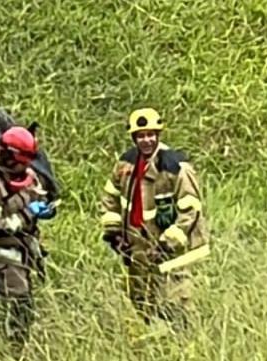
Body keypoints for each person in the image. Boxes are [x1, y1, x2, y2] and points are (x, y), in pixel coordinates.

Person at [99, 107, 208, 331]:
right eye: (141, 135)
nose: (146, 140)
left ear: (158, 134)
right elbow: (110, 196)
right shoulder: (125, 165)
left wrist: (168, 243)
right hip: (137, 247)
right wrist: (113, 232)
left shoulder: (174, 166)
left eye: (151, 134)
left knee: (176, 303)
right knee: (141, 300)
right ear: (133, 137)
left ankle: (186, 344)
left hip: (171, 251)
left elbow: (191, 209)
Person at [0, 124, 56, 347]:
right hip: (3, 254)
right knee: (18, 303)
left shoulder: (27, 175)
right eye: (22, 160)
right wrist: (28, 214)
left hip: (26, 248)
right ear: (9, 157)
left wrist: (47, 208)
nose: (27, 165)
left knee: (27, 299)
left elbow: (40, 194)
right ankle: (12, 347)